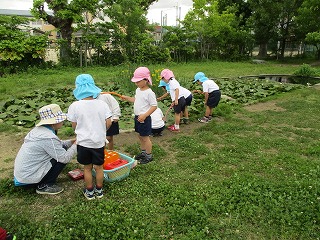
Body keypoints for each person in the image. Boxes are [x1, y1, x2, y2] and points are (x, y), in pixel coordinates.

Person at [13, 104, 77, 195]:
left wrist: (72, 141)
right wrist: (76, 144)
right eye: (61, 119)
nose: (63, 121)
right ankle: (45, 185)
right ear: (53, 122)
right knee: (62, 156)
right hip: (29, 179)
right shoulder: (48, 137)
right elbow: (64, 158)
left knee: (61, 150)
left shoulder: (39, 130)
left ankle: (44, 180)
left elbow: (58, 144)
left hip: (23, 175)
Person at [67, 74, 112, 200]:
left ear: (78, 88)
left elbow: (74, 125)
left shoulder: (75, 106)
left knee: (87, 168)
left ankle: (90, 192)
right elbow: (108, 122)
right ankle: (99, 190)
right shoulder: (102, 104)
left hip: (83, 143)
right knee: (99, 167)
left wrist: (80, 130)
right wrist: (102, 130)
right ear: (93, 86)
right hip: (98, 142)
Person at [121, 67, 157, 164]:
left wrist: (145, 115)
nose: (136, 83)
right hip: (138, 117)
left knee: (145, 137)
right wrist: (127, 98)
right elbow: (136, 100)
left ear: (146, 80)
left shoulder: (149, 93)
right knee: (140, 136)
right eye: (135, 81)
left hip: (144, 118)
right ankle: (143, 152)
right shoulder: (138, 90)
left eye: (138, 81)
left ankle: (148, 155)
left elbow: (154, 106)